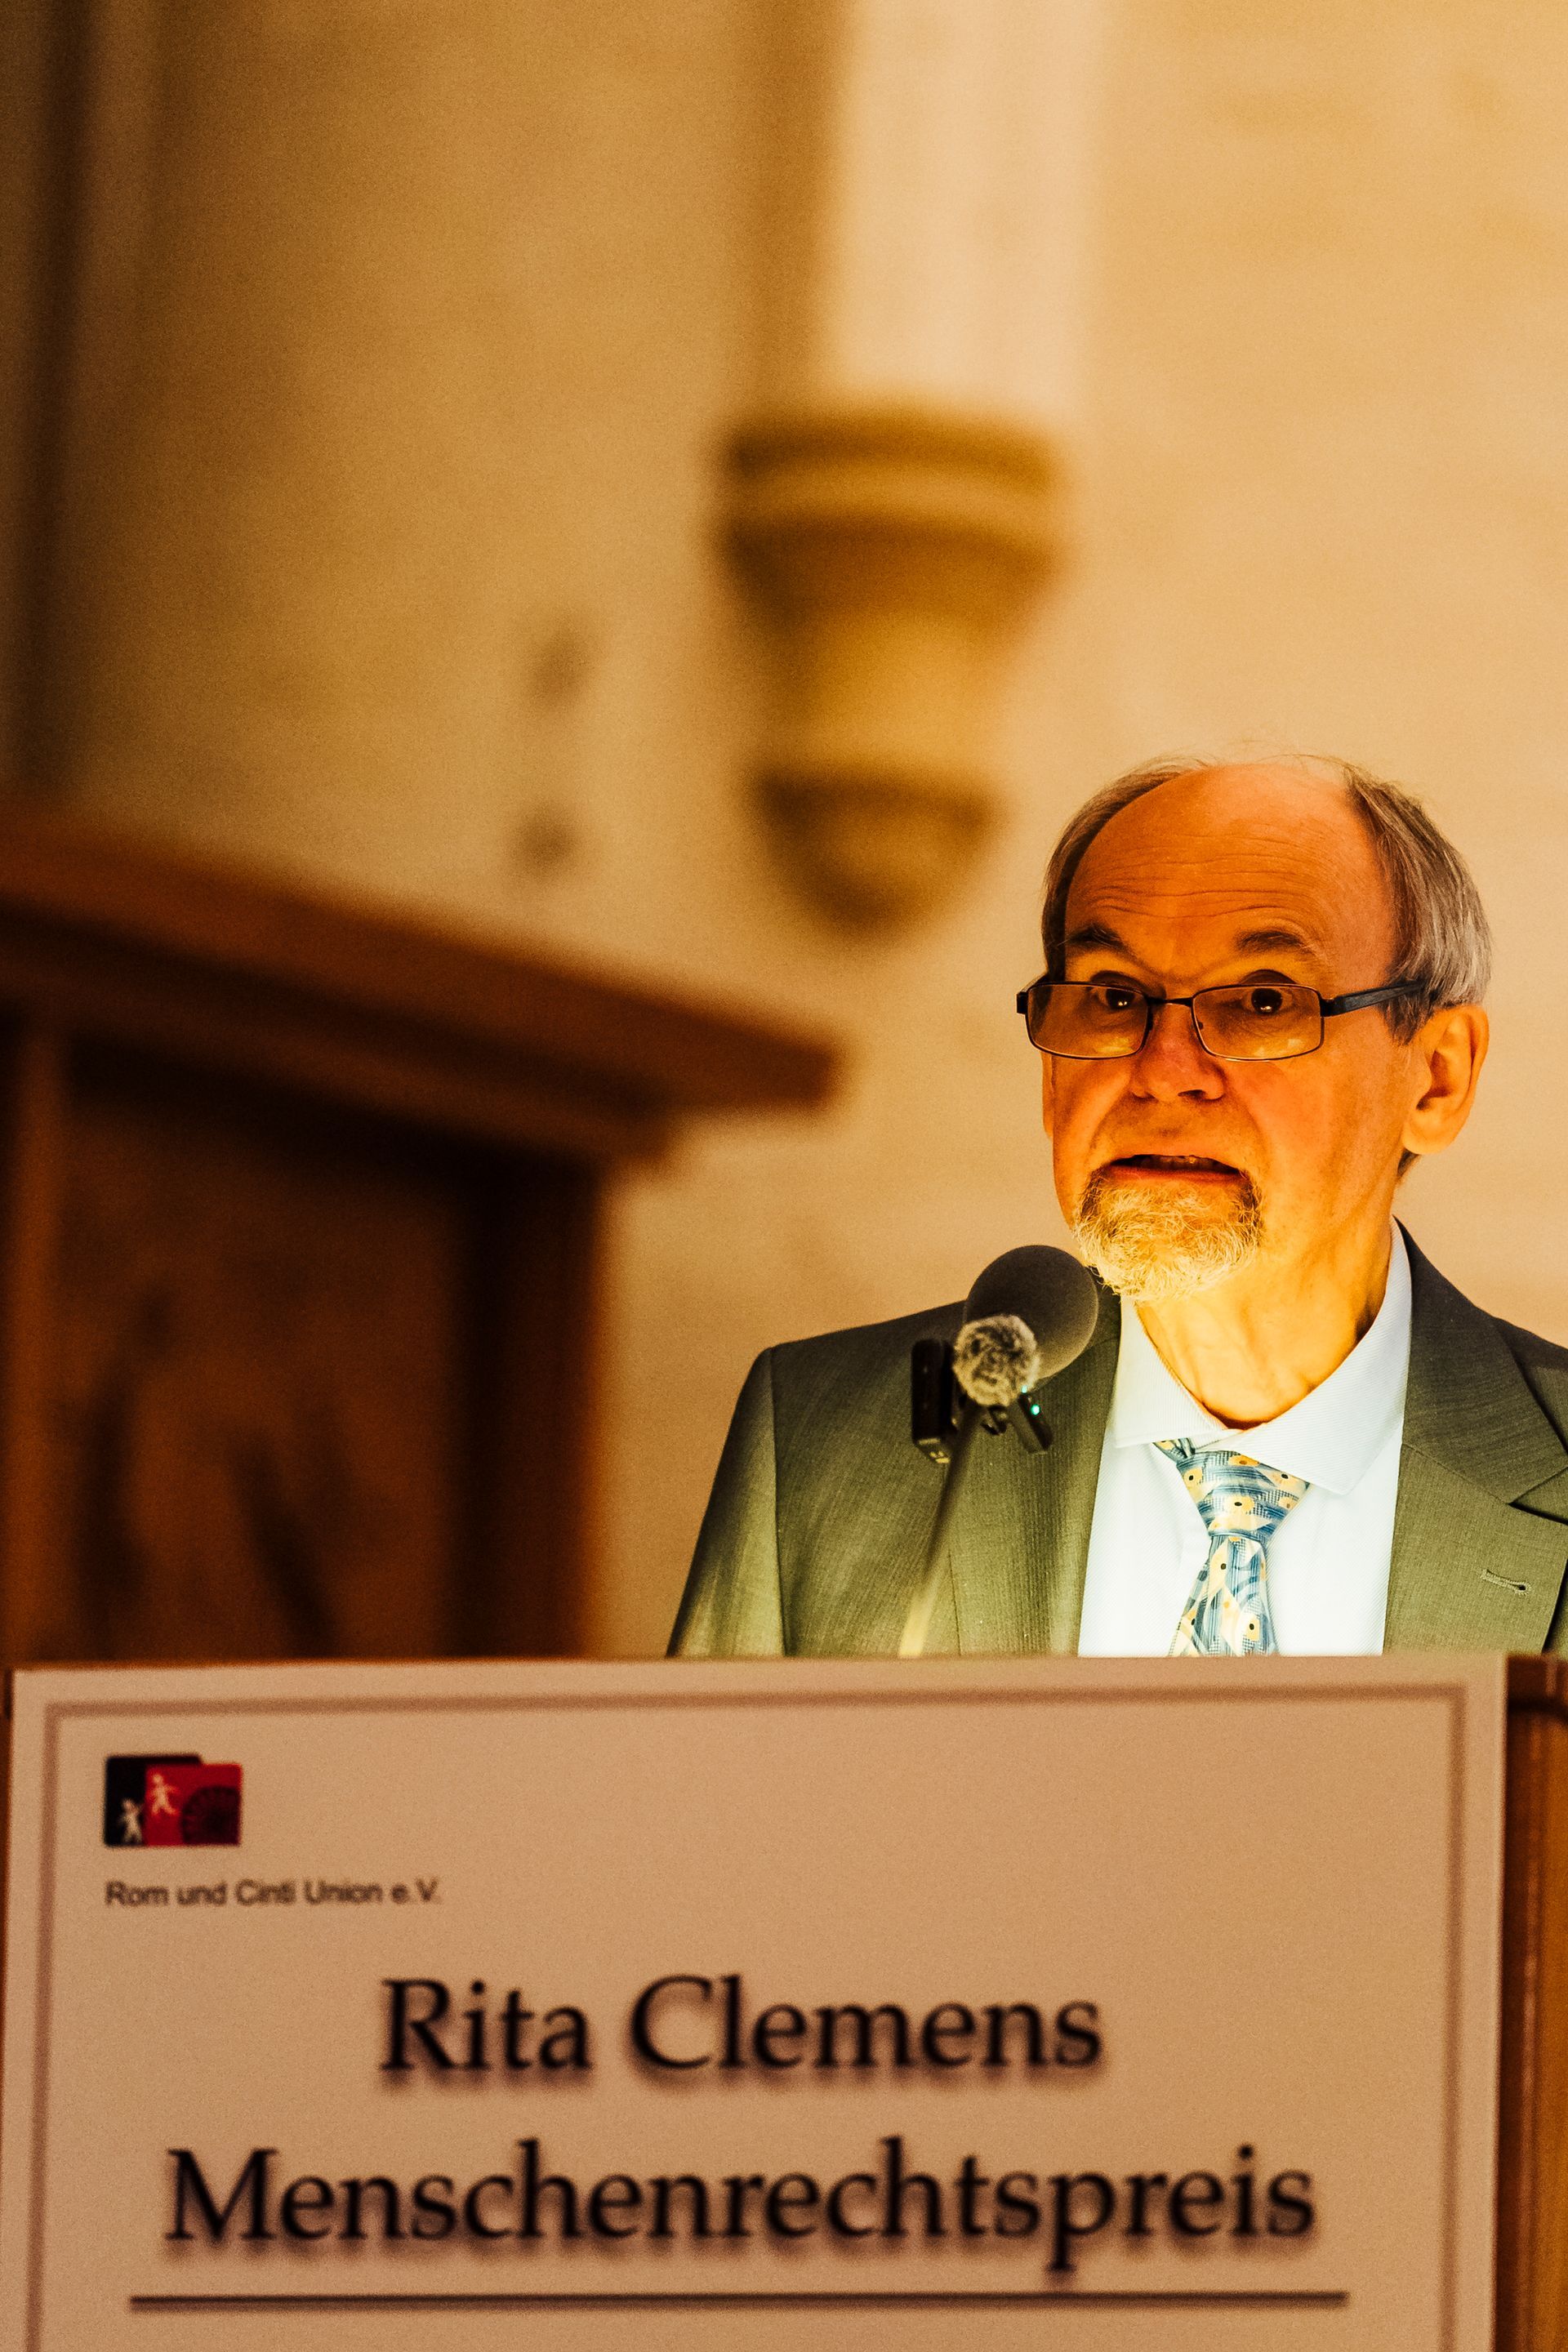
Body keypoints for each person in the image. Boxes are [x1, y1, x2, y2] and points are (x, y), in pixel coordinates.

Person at [670, 754, 1568, 1658]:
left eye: (1263, 1001)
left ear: (1437, 1079)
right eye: (1113, 997)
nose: (1164, 1071)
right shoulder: (827, 1445)